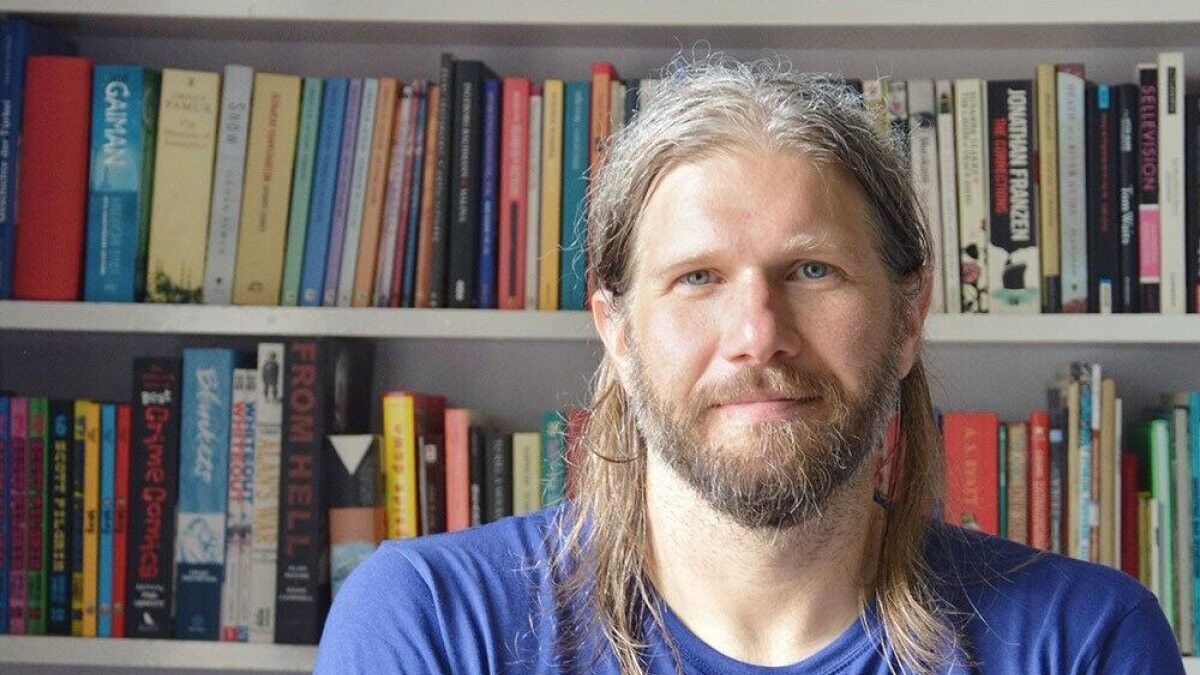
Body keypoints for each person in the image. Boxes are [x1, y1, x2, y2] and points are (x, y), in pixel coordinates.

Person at [315, 58, 1182, 674]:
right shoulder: (432, 623)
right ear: (618, 333)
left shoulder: (1085, 640)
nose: (759, 334)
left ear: (909, 316)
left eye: (813, 270)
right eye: (698, 278)